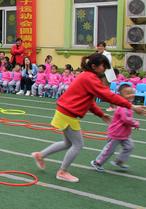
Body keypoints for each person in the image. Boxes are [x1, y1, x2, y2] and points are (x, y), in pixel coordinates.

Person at [31, 53, 146, 183]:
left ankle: (40, 155)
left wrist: (100, 114)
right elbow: (109, 96)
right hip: (67, 114)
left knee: (68, 143)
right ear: (94, 66)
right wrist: (132, 107)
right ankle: (63, 171)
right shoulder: (90, 78)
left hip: (64, 112)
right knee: (78, 144)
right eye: (103, 66)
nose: (104, 69)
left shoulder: (87, 76)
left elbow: (89, 101)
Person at [91, 84, 141, 172]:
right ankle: (97, 162)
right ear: (120, 96)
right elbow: (126, 119)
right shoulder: (122, 107)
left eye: (132, 93)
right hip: (116, 133)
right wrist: (136, 123)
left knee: (129, 146)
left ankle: (119, 161)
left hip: (124, 134)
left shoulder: (129, 105)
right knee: (109, 150)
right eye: (127, 93)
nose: (131, 95)